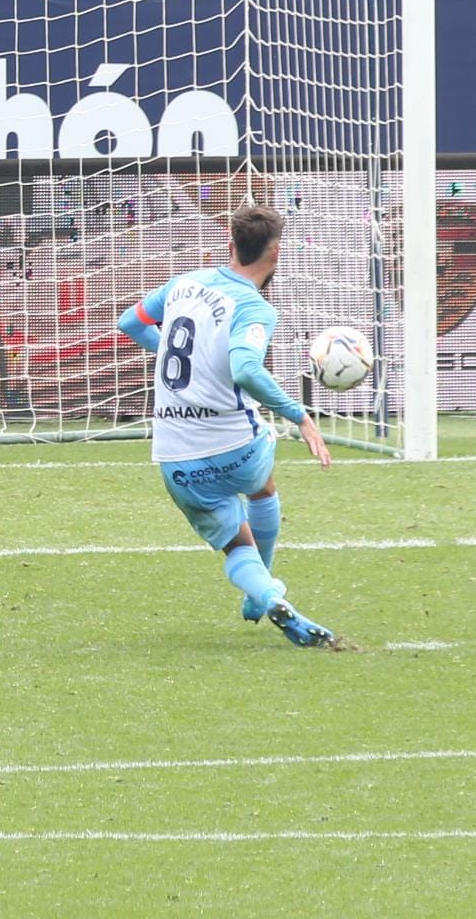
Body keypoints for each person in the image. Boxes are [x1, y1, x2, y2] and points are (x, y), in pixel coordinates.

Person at [117, 204, 338, 647]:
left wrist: (178, 359)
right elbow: (246, 370)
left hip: (176, 454)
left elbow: (132, 322)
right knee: (263, 486)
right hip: (238, 446)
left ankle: (264, 593)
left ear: (230, 245)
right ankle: (266, 589)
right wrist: (300, 415)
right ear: (275, 255)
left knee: (236, 545)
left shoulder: (186, 282)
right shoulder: (254, 308)